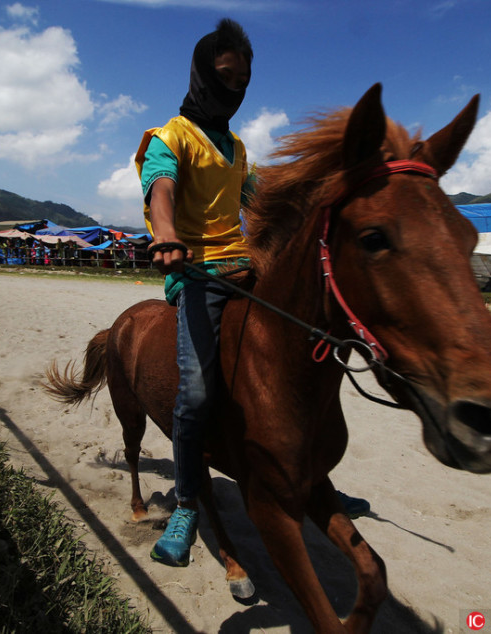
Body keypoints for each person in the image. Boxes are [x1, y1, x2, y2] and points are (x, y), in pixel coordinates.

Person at [135, 18, 368, 568]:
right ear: (201, 75)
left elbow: (262, 199)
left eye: (243, 79)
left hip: (248, 268)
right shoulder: (170, 138)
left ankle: (315, 477)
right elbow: (160, 189)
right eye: (225, 76)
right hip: (197, 277)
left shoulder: (237, 148)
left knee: (309, 352)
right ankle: (188, 502)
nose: (235, 88)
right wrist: (166, 235)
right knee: (193, 396)